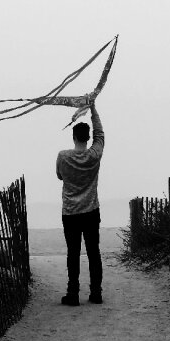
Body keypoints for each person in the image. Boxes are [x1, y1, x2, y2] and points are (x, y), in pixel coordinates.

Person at [56, 101, 105, 305]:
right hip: (91, 210)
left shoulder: (63, 156)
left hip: (71, 212)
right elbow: (100, 134)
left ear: (74, 136)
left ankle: (73, 294)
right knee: (93, 252)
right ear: (87, 138)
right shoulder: (94, 155)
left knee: (73, 253)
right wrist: (93, 109)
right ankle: (95, 293)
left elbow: (59, 176)